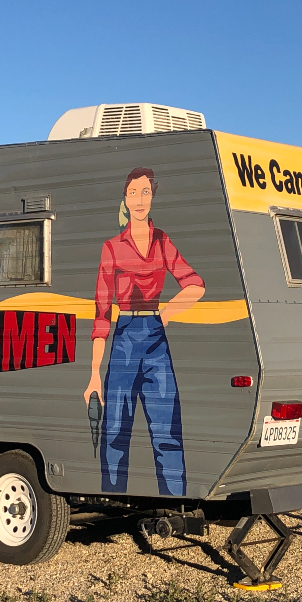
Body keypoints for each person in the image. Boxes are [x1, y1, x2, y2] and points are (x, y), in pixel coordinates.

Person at [84, 167, 205, 496]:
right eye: (133, 192)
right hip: (123, 340)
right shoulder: (112, 248)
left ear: (153, 197)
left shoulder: (162, 242)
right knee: (115, 434)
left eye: (145, 192)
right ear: (125, 198)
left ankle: (176, 502)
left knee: (167, 433)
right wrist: (94, 373)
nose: (139, 199)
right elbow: (101, 311)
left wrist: (165, 315)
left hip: (154, 338)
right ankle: (111, 498)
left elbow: (195, 285)